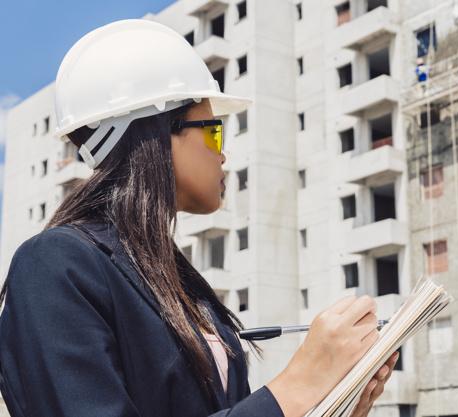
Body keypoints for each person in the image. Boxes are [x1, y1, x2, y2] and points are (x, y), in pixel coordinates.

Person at [0, 19, 398, 417]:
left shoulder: (183, 288)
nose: (224, 153)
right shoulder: (56, 266)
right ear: (159, 131)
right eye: (215, 131)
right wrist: (297, 386)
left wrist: (329, 406)